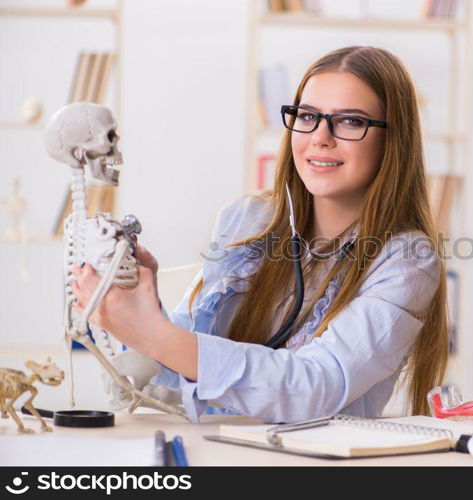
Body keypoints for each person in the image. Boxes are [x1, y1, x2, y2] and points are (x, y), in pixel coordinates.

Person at [72, 46, 449, 423]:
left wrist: (154, 334)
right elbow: (180, 370)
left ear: (392, 140)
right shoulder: (248, 218)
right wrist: (140, 310)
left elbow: (316, 388)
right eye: (308, 115)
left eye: (350, 121)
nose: (320, 137)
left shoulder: (408, 260)